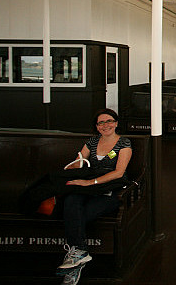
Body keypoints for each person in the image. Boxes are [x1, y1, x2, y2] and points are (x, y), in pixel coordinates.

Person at [57, 108, 132, 285]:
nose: (106, 125)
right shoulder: (91, 142)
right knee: (71, 200)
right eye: (101, 123)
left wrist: (91, 182)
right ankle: (79, 254)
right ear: (97, 127)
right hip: (88, 189)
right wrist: (72, 170)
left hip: (109, 190)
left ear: (116, 123)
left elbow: (119, 172)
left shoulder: (124, 143)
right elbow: (79, 161)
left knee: (78, 215)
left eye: (109, 121)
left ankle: (75, 261)